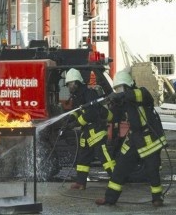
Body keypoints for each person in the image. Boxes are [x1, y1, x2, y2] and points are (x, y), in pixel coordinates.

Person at [95, 71, 167, 207]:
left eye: (120, 88)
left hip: (150, 137)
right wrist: (102, 110)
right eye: (116, 89)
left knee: (152, 169)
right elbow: (113, 117)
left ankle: (157, 198)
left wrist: (119, 95)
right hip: (134, 137)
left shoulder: (142, 93)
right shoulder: (123, 102)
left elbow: (136, 95)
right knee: (120, 166)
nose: (118, 91)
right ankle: (110, 199)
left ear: (128, 86)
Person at [64, 68, 115, 190]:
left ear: (76, 82)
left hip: (96, 130)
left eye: (70, 84)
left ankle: (116, 179)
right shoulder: (77, 96)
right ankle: (81, 183)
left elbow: (91, 113)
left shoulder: (89, 93)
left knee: (104, 157)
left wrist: (76, 123)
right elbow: (78, 111)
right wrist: (70, 118)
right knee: (83, 157)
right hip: (86, 132)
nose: (69, 87)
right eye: (68, 84)